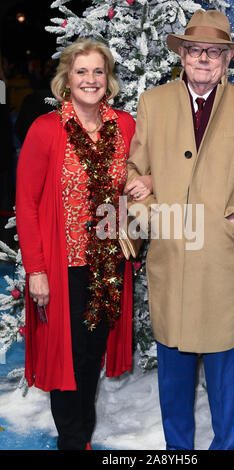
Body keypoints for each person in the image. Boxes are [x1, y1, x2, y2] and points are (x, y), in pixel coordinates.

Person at [124, 10, 234, 450]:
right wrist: (148, 212)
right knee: (173, 373)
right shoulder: (153, 104)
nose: (203, 59)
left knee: (222, 371)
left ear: (227, 60)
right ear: (182, 55)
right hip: (170, 260)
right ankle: (178, 451)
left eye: (214, 52)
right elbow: (135, 171)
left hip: (220, 259)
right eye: (195, 50)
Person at [15, 38, 151, 451]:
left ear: (107, 79)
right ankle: (72, 441)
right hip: (62, 265)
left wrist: (147, 181)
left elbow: (145, 169)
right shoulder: (45, 129)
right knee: (67, 358)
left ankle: (82, 437)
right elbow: (27, 204)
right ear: (66, 80)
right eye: (81, 72)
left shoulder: (125, 125)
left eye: (97, 71)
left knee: (91, 354)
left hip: (109, 262)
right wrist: (36, 270)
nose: (90, 79)